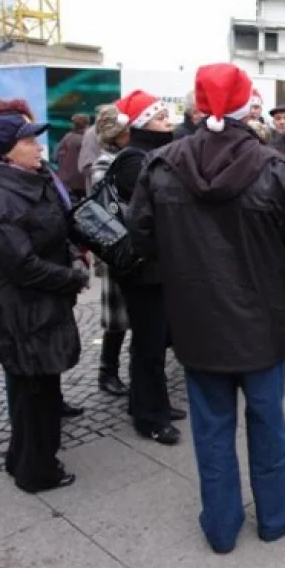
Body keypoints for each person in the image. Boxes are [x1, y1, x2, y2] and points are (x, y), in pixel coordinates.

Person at [127, 63, 285, 554]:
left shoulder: (163, 165)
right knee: (266, 421)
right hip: (259, 322)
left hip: (197, 322)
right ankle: (276, 515)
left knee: (212, 428)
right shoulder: (278, 168)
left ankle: (221, 525)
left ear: (198, 105)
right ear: (246, 107)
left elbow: (140, 238)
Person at [0, 109, 88, 493]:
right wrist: (73, 277)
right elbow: (23, 266)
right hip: (23, 309)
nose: (39, 148)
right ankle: (36, 471)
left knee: (37, 391)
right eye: (28, 142)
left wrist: (72, 253)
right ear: (7, 153)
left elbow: (58, 228)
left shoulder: (27, 183)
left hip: (40, 306)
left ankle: (21, 457)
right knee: (35, 394)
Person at [111, 89, 184, 445]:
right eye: (160, 117)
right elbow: (156, 208)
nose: (168, 122)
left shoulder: (150, 154)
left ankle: (153, 402)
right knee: (149, 344)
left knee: (152, 341)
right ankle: (148, 416)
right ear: (143, 124)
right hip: (142, 268)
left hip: (156, 264)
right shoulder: (133, 159)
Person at [89, 105, 132, 397]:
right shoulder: (105, 164)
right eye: (126, 131)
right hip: (115, 248)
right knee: (117, 319)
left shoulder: (129, 158)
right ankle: (108, 371)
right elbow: (111, 206)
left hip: (133, 248)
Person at [55, 113, 90, 200]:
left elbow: (55, 157)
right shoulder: (89, 139)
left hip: (66, 182)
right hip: (83, 183)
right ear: (87, 124)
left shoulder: (67, 138)